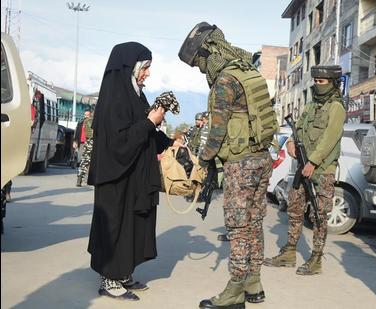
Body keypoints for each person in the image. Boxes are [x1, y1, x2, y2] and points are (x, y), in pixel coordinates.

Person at [179, 22, 277, 309]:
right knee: (255, 222)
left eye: (199, 63)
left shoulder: (225, 81)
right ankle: (253, 283)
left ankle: (235, 291)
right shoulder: (248, 72)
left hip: (241, 163)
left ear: (208, 51)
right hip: (261, 158)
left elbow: (218, 130)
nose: (200, 69)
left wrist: (203, 161)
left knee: (237, 227)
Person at [87, 42, 182, 301]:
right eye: (145, 68)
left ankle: (122, 272)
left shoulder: (136, 94)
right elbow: (119, 140)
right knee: (115, 225)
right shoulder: (114, 97)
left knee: (131, 225)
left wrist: (171, 142)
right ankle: (109, 277)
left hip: (132, 173)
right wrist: (151, 121)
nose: (148, 74)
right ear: (131, 67)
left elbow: (145, 131)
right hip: (115, 175)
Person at [264, 65, 346, 276]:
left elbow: (330, 138)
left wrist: (313, 163)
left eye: (322, 82)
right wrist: (291, 142)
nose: (318, 85)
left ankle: (316, 258)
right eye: (316, 81)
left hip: (322, 170)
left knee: (319, 214)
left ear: (333, 83)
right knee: (294, 208)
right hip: (303, 167)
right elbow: (298, 129)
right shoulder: (310, 106)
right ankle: (290, 252)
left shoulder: (336, 107)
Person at [74, 109, 93, 187]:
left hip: (88, 143)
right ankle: (82, 178)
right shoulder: (83, 122)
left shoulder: (88, 122)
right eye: (85, 115)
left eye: (88, 115)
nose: (86, 116)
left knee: (84, 162)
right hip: (88, 143)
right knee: (85, 161)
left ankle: (80, 178)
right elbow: (77, 132)